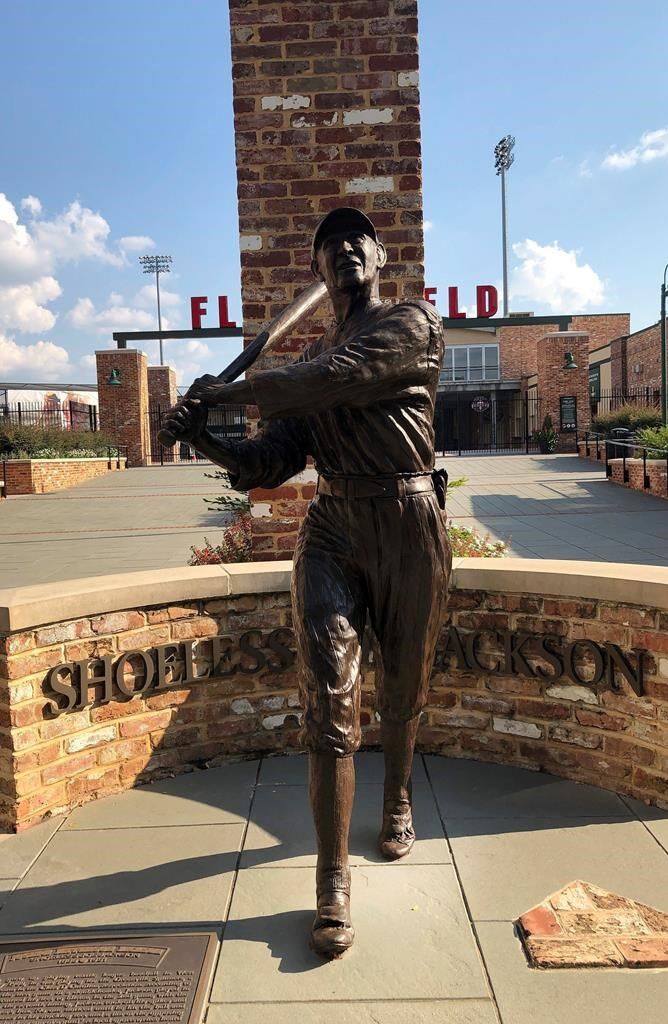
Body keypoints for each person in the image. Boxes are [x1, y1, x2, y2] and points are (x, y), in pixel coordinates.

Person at [162, 207, 451, 958]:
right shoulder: (307, 364)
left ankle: (394, 802)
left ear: (379, 257)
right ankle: (332, 884)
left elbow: (337, 378)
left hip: (409, 518)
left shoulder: (411, 325)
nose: (345, 247)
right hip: (332, 531)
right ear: (319, 271)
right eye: (330, 243)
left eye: (357, 238)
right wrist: (199, 430)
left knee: (403, 687)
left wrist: (222, 393)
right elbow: (265, 465)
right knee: (329, 702)